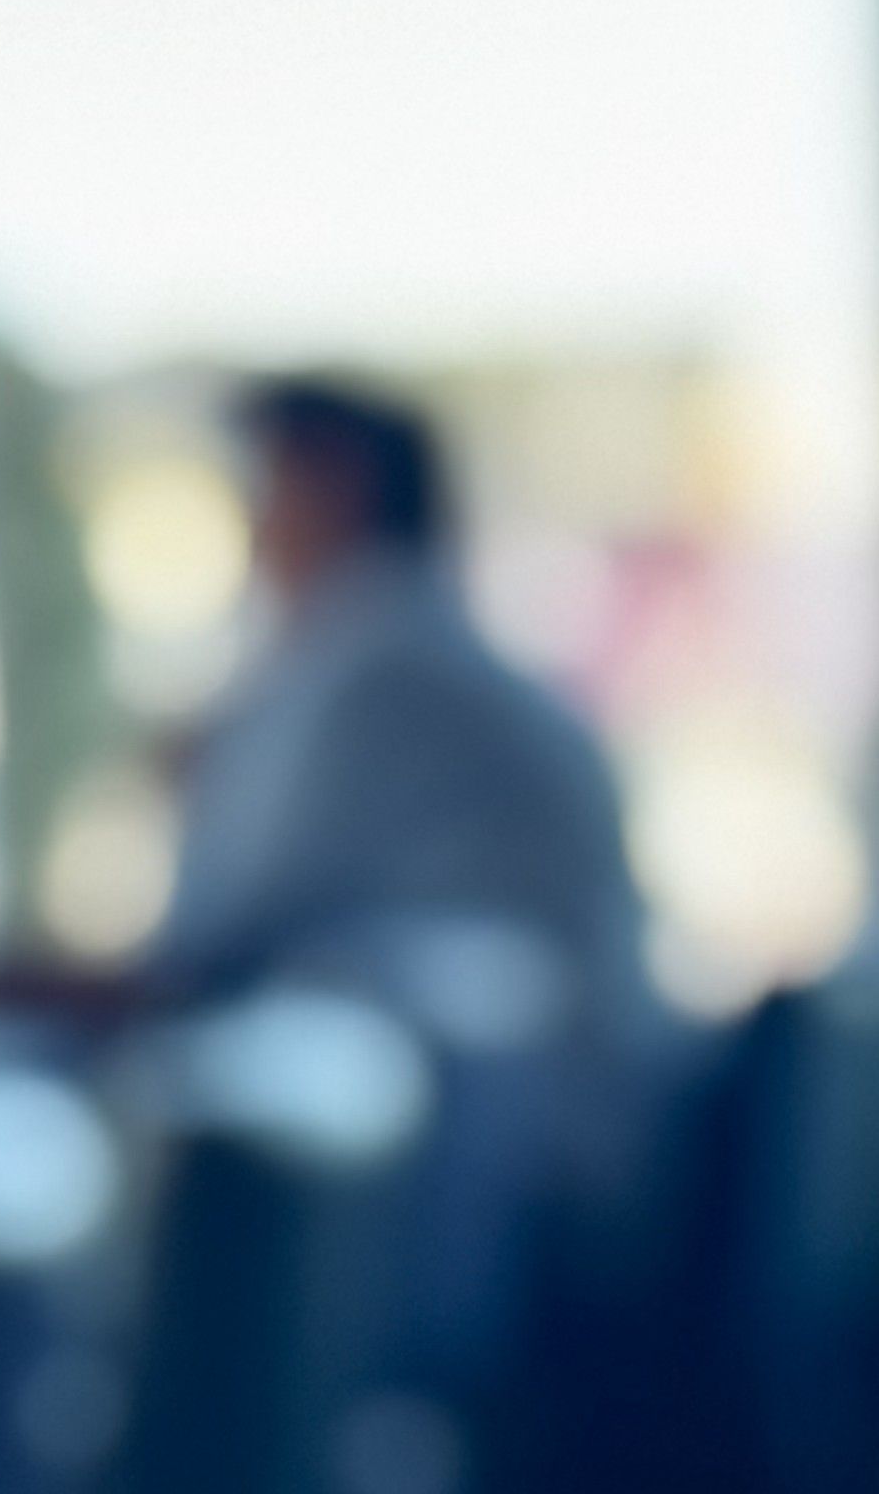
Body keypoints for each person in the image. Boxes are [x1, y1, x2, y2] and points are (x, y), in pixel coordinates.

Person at [147, 378, 649, 1049]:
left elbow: (216, 937)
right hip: (547, 1081)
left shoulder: (374, 667)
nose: (253, 525)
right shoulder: (409, 648)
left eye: (268, 487)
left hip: (504, 1114)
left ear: (340, 482)